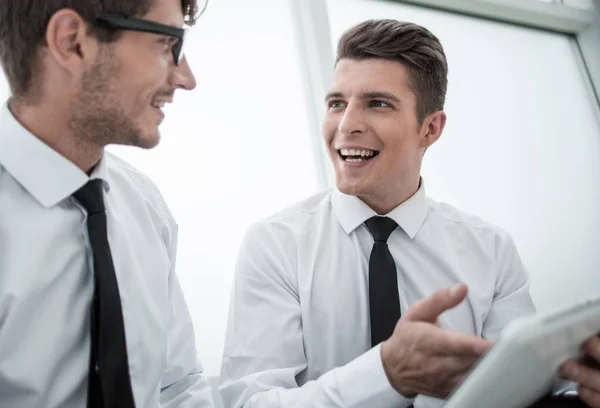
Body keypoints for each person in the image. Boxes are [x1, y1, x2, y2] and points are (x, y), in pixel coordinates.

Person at [219, 19, 600, 408]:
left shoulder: (492, 251)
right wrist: (386, 374)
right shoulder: (276, 245)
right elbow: (250, 404)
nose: (346, 125)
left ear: (430, 129)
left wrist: (583, 388)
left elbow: (523, 393)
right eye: (336, 104)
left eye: (377, 103)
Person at [0, 0, 214, 407]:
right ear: (73, 42)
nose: (186, 78)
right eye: (166, 43)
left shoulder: (144, 205)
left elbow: (177, 387)